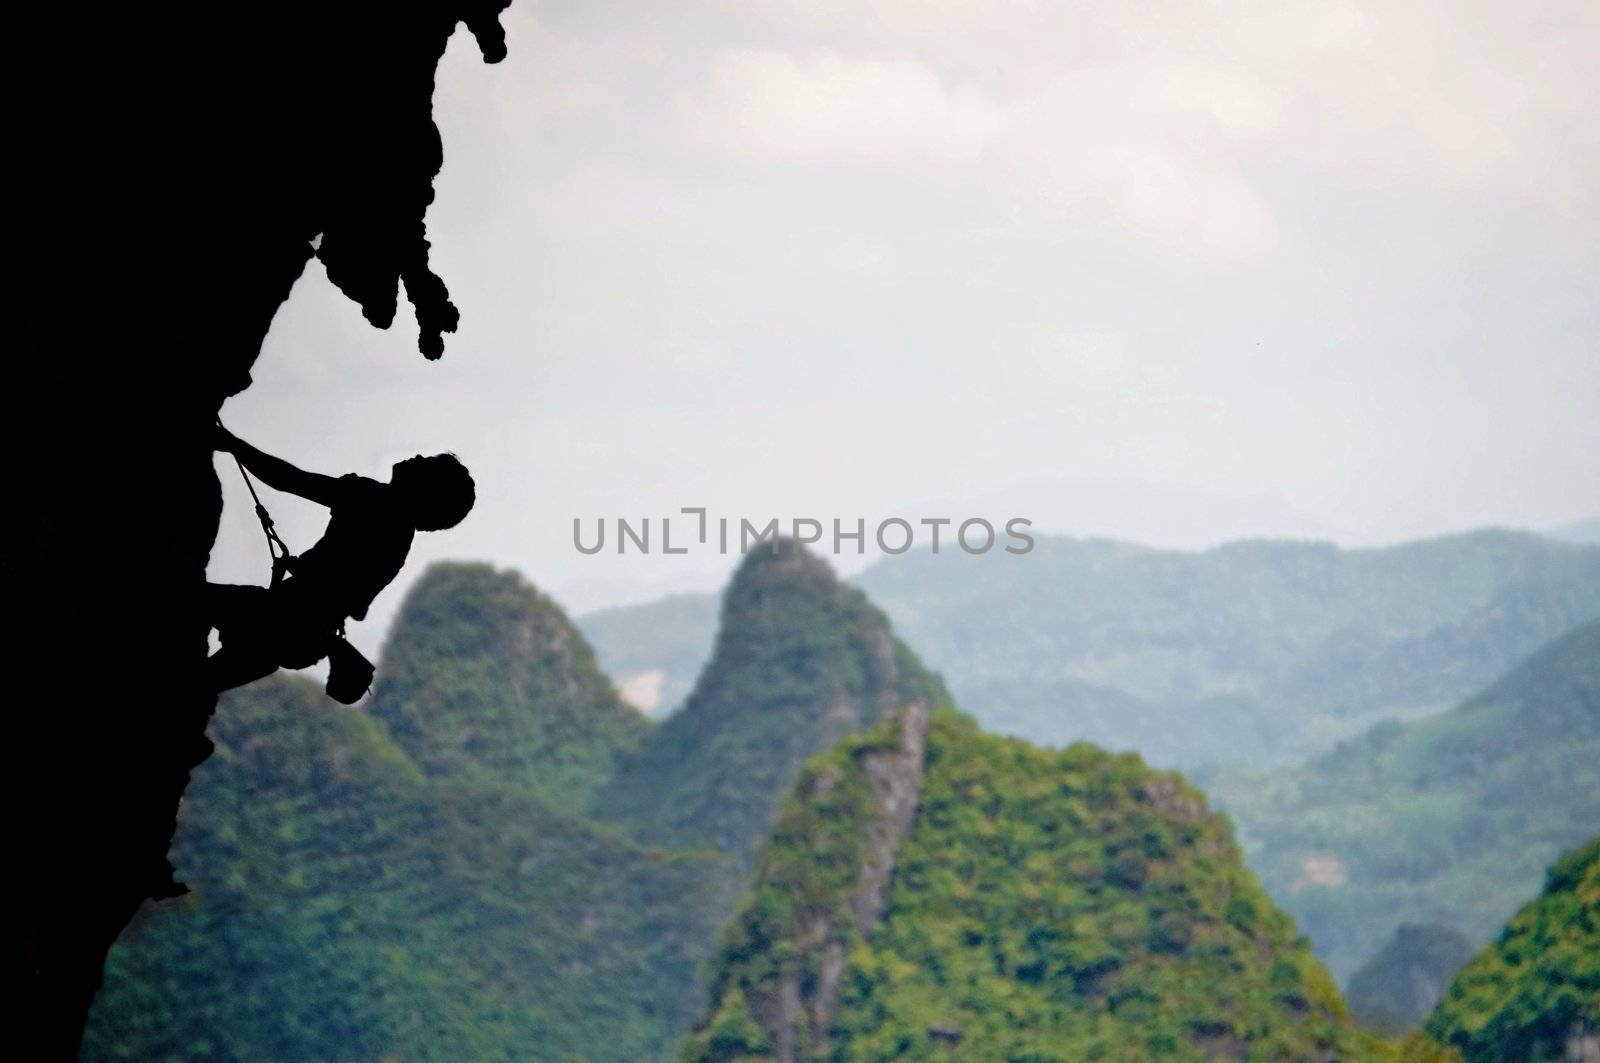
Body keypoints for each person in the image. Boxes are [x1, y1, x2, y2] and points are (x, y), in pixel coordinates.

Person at [208, 423, 475, 702]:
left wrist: (233, 445)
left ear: (424, 492)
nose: (418, 458)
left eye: (426, 466)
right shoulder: (398, 538)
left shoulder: (371, 499)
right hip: (300, 639)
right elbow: (358, 607)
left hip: (278, 619)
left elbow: (289, 480)